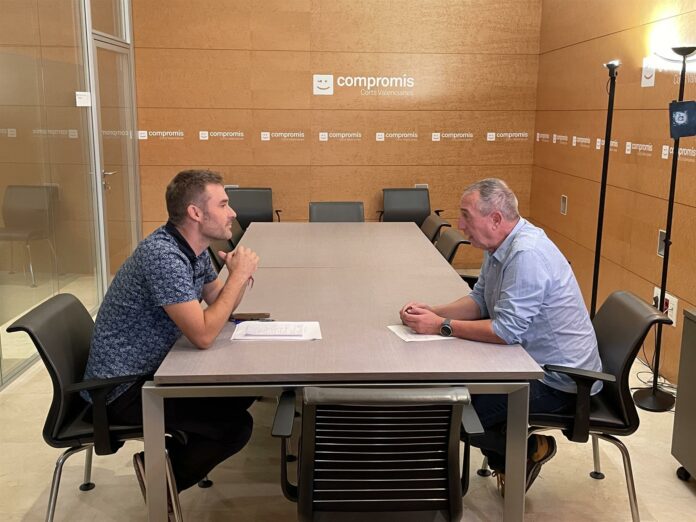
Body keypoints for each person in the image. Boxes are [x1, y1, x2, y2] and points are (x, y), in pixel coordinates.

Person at [399, 178, 603, 493]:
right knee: (452, 398)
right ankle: (517, 455)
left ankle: (528, 450)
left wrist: (441, 325)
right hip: (525, 361)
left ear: (495, 218)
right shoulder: (499, 246)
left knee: (455, 415)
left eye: (466, 216)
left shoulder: (526, 254)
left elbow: (506, 330)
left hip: (559, 381)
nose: (460, 225)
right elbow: (480, 300)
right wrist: (433, 312)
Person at [82, 169, 259, 507]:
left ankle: (173, 454)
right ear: (196, 213)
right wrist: (238, 277)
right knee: (235, 427)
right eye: (223, 204)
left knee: (242, 391)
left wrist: (237, 276)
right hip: (122, 390)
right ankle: (160, 481)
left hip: (156, 369)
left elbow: (218, 302)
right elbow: (204, 334)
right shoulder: (163, 256)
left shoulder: (192, 249)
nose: (232, 213)